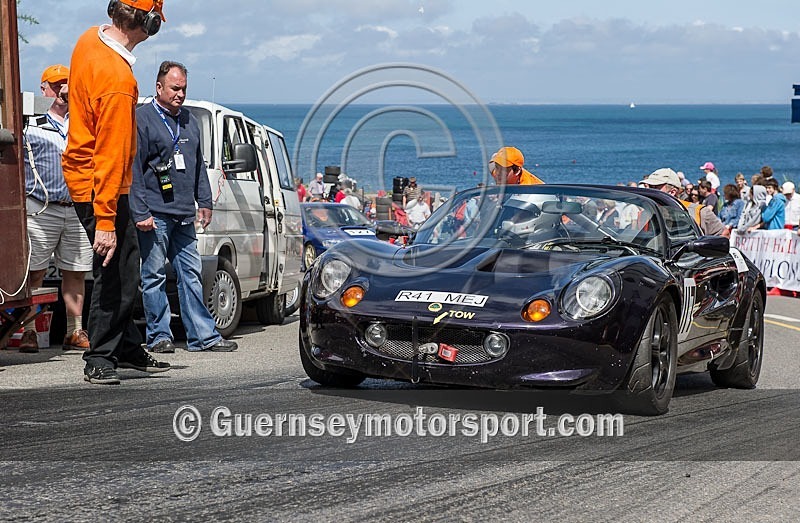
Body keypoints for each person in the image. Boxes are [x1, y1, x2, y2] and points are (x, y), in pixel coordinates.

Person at [62, 0, 170, 384]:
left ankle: (126, 347)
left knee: (127, 266)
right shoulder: (118, 82)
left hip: (87, 178)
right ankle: (101, 356)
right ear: (148, 22)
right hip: (100, 185)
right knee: (114, 270)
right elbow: (109, 155)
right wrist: (105, 220)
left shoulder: (90, 39)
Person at [131, 61, 237, 354]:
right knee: (154, 275)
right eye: (175, 88)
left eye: (184, 89)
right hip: (154, 213)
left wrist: (204, 201)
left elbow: (198, 165)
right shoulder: (143, 118)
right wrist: (140, 212)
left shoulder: (189, 120)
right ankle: (159, 335)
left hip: (183, 215)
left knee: (190, 273)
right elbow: (134, 169)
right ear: (159, 87)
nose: (179, 94)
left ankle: (203, 336)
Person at [19, 65, 93, 353]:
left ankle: (75, 331)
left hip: (74, 207)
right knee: (34, 273)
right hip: (42, 207)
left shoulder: (81, 125)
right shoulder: (32, 125)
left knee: (75, 271)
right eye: (57, 85)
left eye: (68, 85)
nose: (63, 91)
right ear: (44, 89)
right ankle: (27, 331)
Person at [641, 168, 725, 235]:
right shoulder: (646, 213)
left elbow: (723, 234)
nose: (649, 191)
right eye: (649, 186)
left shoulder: (698, 212)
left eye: (655, 187)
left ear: (672, 192)